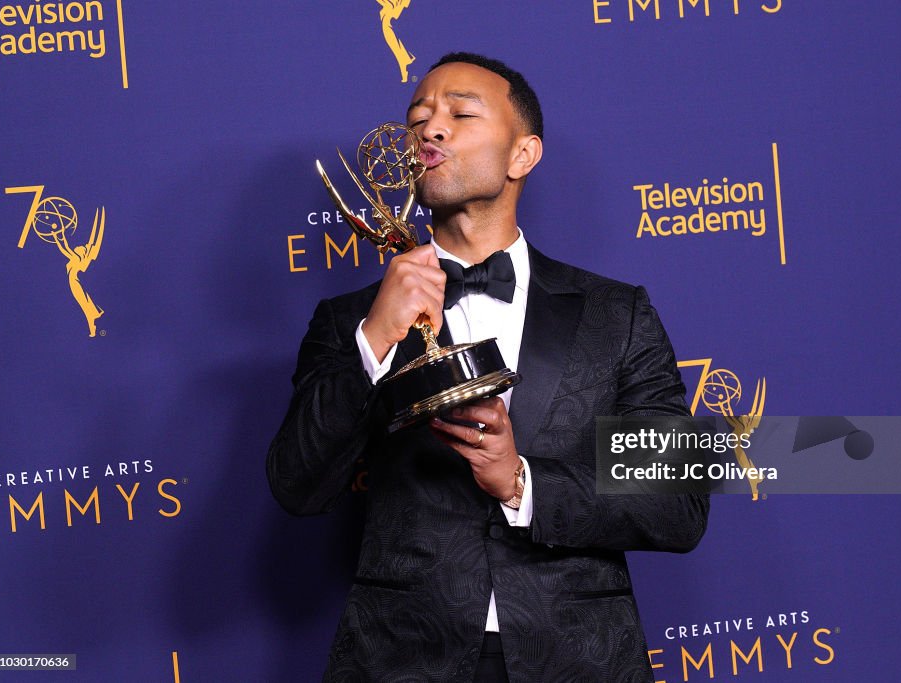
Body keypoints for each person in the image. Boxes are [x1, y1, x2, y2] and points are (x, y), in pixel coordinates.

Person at [267, 52, 709, 682]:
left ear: (522, 155)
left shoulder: (618, 314)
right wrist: (375, 338)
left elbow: (678, 502)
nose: (431, 129)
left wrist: (520, 482)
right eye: (418, 117)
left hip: (580, 660)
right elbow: (296, 485)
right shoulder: (350, 321)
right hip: (400, 659)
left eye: (460, 113)